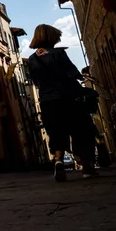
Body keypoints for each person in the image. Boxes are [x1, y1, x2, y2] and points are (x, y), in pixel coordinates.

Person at [28, 24, 98, 182]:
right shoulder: (59, 53)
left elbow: (36, 81)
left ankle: (58, 160)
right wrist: (82, 78)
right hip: (68, 97)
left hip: (47, 100)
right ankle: (87, 167)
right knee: (80, 129)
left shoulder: (32, 59)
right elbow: (72, 72)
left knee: (56, 132)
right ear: (51, 37)